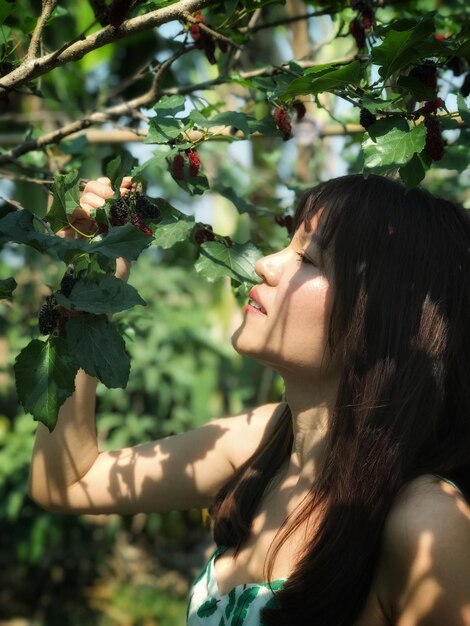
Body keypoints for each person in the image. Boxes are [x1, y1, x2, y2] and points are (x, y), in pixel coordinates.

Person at [29, 173, 470, 626]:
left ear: (385, 320)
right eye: (288, 244)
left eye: (310, 258)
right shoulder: (264, 442)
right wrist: (88, 292)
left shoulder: (427, 525)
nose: (266, 265)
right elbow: (66, 481)